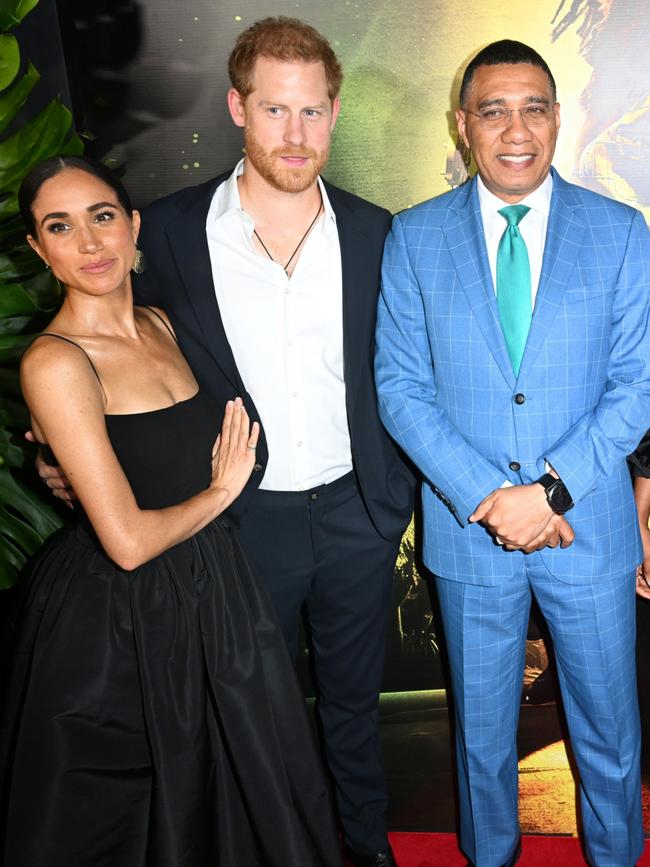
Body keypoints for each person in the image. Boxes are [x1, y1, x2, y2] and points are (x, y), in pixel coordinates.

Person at [37, 18, 415, 867]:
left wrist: (390, 505)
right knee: (250, 712)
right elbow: (112, 358)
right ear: (238, 107)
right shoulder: (165, 233)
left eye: (312, 112)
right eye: (276, 110)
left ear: (336, 111)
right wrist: (57, 451)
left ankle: (366, 845)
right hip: (238, 524)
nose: (295, 133)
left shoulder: (378, 231)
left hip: (360, 510)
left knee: (357, 704)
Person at [1, 155, 343, 867]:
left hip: (214, 596)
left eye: (101, 217)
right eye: (59, 227)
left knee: (242, 791)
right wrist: (219, 492)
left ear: (132, 225)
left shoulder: (162, 322)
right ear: (38, 248)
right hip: (118, 625)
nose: (90, 244)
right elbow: (125, 541)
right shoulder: (55, 362)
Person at [375, 40, 650, 867]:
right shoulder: (414, 238)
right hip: (471, 536)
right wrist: (491, 496)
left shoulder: (621, 232)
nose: (515, 127)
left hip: (589, 530)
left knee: (610, 736)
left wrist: (550, 493)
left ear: (559, 119)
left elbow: (636, 386)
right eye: (493, 109)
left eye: (534, 106)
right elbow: (400, 386)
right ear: (463, 125)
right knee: (480, 737)